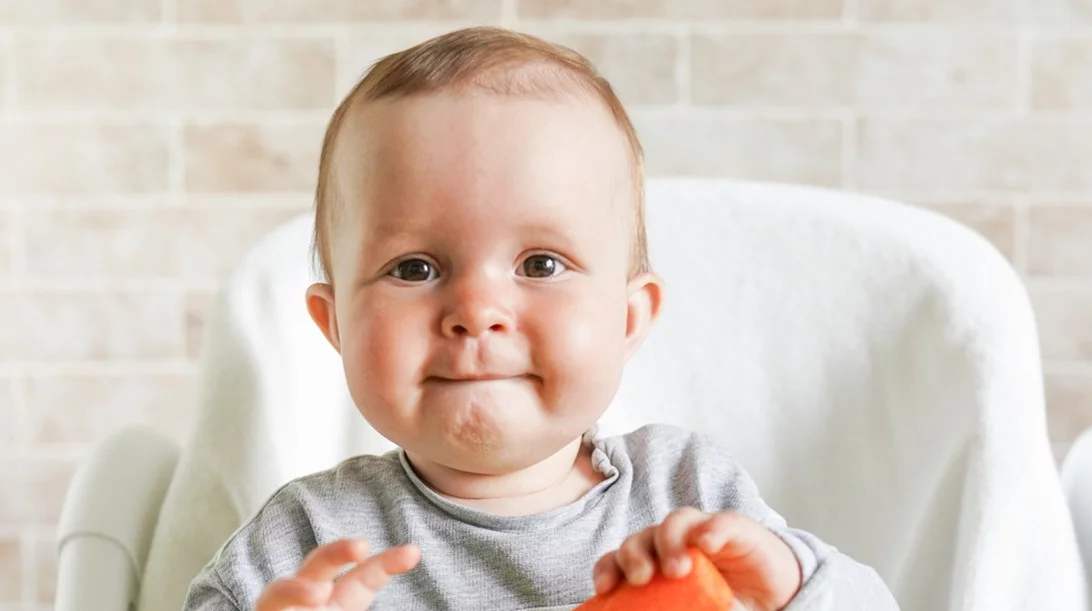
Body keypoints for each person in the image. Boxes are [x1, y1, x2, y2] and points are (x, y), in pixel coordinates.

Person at [183, 26, 898, 611]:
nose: (476, 312)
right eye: (415, 268)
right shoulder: (308, 539)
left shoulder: (687, 494)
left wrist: (786, 585)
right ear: (335, 323)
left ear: (628, 318)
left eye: (541, 264)